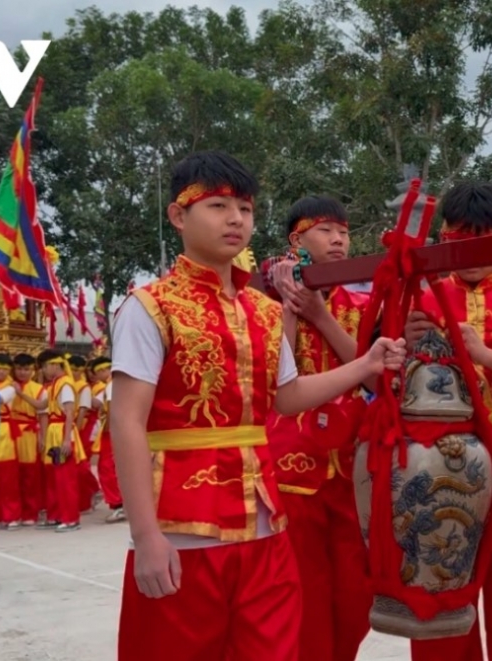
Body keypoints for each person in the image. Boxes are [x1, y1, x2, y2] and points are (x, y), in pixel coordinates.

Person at [110, 150, 407, 661]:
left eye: (245, 209)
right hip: (184, 525)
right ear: (179, 216)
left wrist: (365, 365)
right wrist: (146, 536)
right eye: (218, 205)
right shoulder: (149, 307)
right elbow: (127, 422)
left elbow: (286, 397)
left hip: (266, 523)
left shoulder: (264, 312)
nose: (235, 219)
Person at [403, 181, 492, 661]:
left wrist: (484, 354)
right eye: (460, 243)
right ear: (444, 236)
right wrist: (403, 342)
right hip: (442, 456)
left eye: (483, 243)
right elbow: (381, 383)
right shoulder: (419, 300)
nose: (470, 256)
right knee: (442, 577)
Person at [260, 195, 373, 661]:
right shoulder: (264, 301)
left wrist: (321, 315)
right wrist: (288, 306)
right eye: (326, 230)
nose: (339, 239)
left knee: (356, 593)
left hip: (353, 464)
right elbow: (275, 375)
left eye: (344, 231)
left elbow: (370, 370)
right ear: (297, 240)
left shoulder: (363, 302)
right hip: (293, 464)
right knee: (303, 589)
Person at [37, 350, 85, 532]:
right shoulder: (54, 384)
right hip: (54, 431)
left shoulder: (65, 384)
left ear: (54, 364)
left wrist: (66, 440)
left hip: (62, 432)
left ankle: (71, 518)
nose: (43, 370)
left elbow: (70, 412)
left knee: (66, 478)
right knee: (54, 477)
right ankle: (57, 515)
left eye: (44, 366)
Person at [10, 353, 47, 527]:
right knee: (11, 474)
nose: (23, 373)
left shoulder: (39, 389)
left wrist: (43, 436)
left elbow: (43, 415)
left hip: (29, 433)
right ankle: (13, 513)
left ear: (33, 370)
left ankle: (31, 512)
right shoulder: (8, 386)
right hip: (9, 432)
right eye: (19, 369)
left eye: (26, 369)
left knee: (30, 474)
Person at [0, 353, 21, 528]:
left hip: (4, 431)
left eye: (4, 368)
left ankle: (12, 515)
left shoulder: (11, 387)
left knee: (8, 477)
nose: (0, 371)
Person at [90, 355, 123, 523]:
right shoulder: (117, 382)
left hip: (111, 431)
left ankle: (118, 504)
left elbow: (111, 408)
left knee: (107, 468)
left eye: (98, 372)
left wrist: (109, 430)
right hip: (118, 429)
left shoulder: (111, 384)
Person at [69, 353, 100, 514]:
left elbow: (83, 409)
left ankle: (91, 490)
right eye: (71, 369)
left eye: (77, 370)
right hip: (72, 426)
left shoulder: (83, 386)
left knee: (81, 464)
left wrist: (78, 428)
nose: (74, 373)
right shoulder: (67, 383)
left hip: (83, 427)